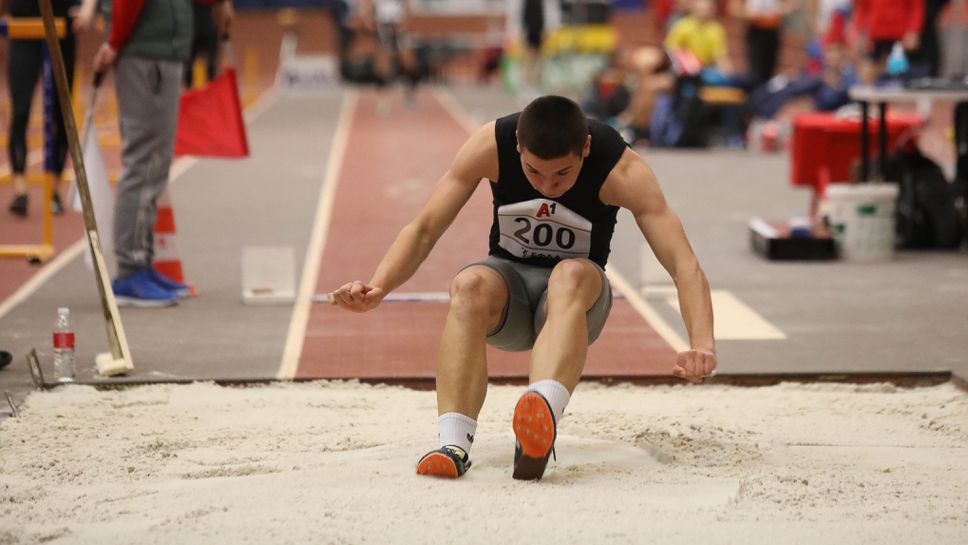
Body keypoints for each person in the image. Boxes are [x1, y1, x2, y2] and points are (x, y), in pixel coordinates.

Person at [329, 95, 717, 481]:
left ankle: (540, 417)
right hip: (509, 295)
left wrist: (702, 344)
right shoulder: (490, 146)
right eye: (533, 172)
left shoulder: (621, 169)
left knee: (569, 274)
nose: (548, 186)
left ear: (585, 148)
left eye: (563, 174)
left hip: (574, 303)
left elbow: (683, 263)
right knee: (468, 285)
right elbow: (425, 227)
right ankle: (453, 445)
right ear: (518, 146)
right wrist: (380, 286)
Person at [93, 0, 232, 307]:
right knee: (143, 159)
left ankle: (142, 263)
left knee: (157, 161)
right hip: (142, 51)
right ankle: (129, 270)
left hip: (163, 50)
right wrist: (115, 42)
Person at [5, 0, 96, 217]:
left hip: (61, 22)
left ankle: (54, 189)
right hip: (24, 23)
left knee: (62, 111)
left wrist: (87, 8)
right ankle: (20, 190)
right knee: (20, 108)